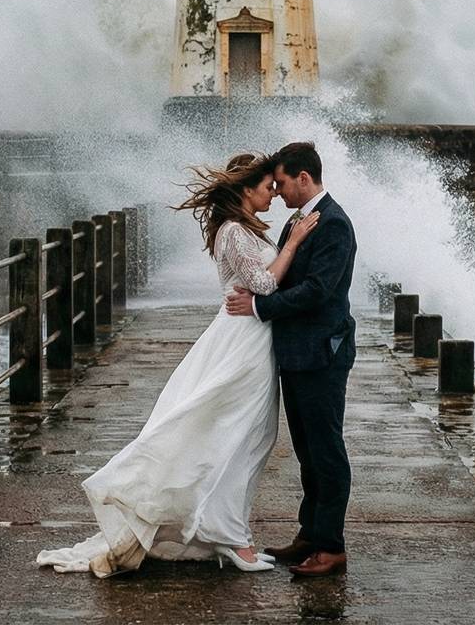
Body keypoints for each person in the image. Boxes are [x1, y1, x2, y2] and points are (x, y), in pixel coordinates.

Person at [35, 151, 321, 578]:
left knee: (250, 437)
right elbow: (262, 283)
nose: (274, 195)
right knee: (235, 437)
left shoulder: (245, 229)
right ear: (245, 189)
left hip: (253, 338)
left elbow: (263, 284)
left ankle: (229, 534)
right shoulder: (232, 232)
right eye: (267, 187)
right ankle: (234, 541)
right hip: (240, 342)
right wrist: (294, 244)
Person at [223, 141, 357, 578]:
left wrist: (260, 309)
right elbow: (279, 278)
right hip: (297, 355)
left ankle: (330, 546)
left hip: (322, 354)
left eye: (280, 184)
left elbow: (318, 290)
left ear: (304, 178)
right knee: (305, 449)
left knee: (326, 450)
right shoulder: (298, 221)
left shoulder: (333, 223)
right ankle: (310, 532)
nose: (276, 192)